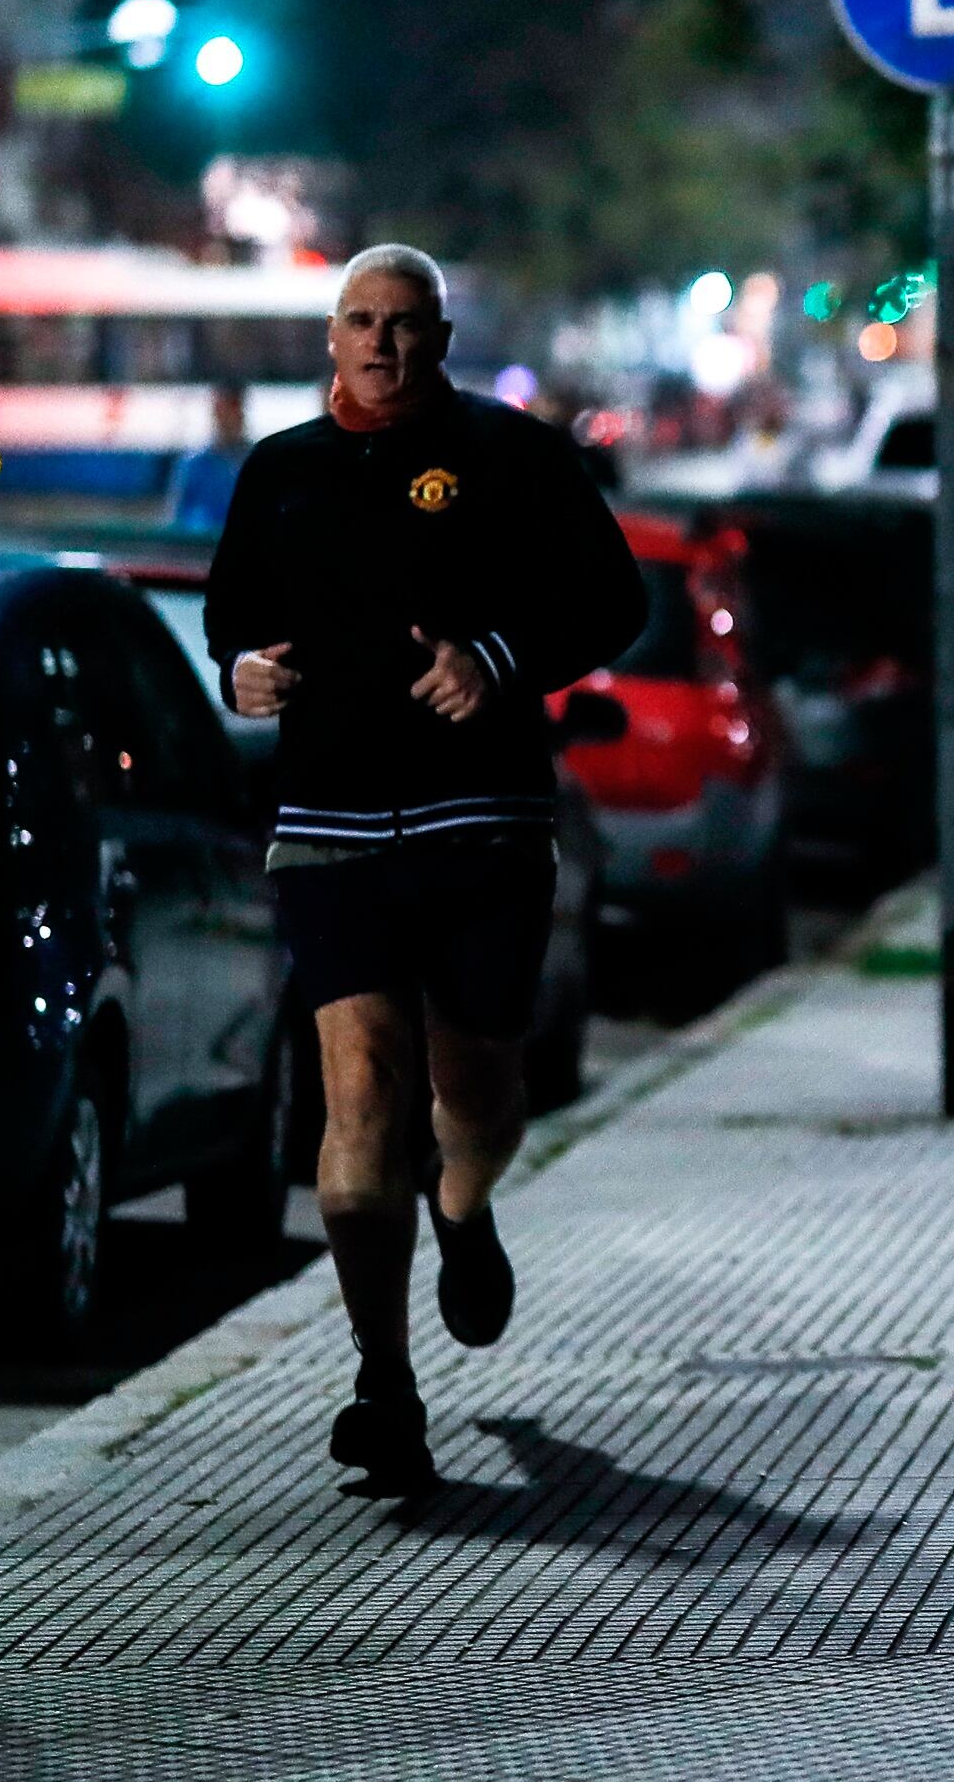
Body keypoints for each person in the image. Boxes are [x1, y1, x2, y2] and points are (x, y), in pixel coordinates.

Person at [205, 244, 646, 1497]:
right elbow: (230, 615)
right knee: (359, 1093)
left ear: (441, 339)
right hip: (332, 825)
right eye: (361, 322)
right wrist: (242, 668)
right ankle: (382, 1385)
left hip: (482, 822)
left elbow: (613, 600)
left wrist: (497, 660)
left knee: (478, 1087)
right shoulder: (281, 470)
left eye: (406, 325)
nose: (384, 345)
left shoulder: (514, 457)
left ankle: (463, 1202)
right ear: (330, 337)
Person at [167, 382, 253, 533]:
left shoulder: (256, 460)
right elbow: (176, 518)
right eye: (220, 410)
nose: (226, 418)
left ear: (240, 413)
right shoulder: (194, 464)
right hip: (199, 551)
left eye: (231, 409)